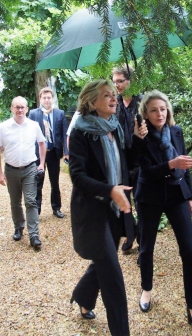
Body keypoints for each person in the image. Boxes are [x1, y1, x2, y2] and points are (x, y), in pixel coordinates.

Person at [68, 79, 146, 336]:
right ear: (92, 102)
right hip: (93, 213)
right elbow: (78, 177)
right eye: (106, 96)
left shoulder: (116, 127)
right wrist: (109, 189)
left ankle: (83, 297)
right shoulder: (80, 133)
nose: (114, 99)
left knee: (103, 262)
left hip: (115, 210)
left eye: (114, 95)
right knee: (113, 277)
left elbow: (128, 165)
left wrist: (138, 139)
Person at [134, 90, 192, 335]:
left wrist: (191, 196)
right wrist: (170, 164)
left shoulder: (176, 132)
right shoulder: (140, 136)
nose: (160, 114)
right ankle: (146, 289)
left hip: (177, 195)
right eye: (154, 110)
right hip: (150, 197)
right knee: (147, 247)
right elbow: (143, 171)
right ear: (145, 113)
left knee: (189, 251)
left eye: (163, 109)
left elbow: (185, 167)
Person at [0, 96, 46, 249]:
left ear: (27, 109)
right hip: (11, 170)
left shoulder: (34, 125)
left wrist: (41, 164)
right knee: (15, 201)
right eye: (17, 107)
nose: (20, 110)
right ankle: (18, 227)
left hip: (29, 168)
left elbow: (42, 144)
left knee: (30, 201)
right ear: (11, 109)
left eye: (22, 107)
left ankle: (34, 234)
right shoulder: (3, 127)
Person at [112, 65, 143, 254]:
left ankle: (144, 243)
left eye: (120, 81)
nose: (117, 85)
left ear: (130, 80)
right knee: (124, 202)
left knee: (141, 203)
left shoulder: (142, 102)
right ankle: (131, 235)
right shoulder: (114, 103)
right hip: (121, 161)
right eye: (114, 82)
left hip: (140, 161)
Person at [28, 87, 68, 218]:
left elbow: (64, 134)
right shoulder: (33, 114)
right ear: (40, 99)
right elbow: (29, 135)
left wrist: (66, 152)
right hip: (38, 154)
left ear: (53, 98)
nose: (47, 100)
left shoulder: (59, 113)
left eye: (49, 98)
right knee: (37, 183)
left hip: (53, 153)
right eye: (44, 98)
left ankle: (56, 208)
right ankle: (37, 211)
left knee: (54, 182)